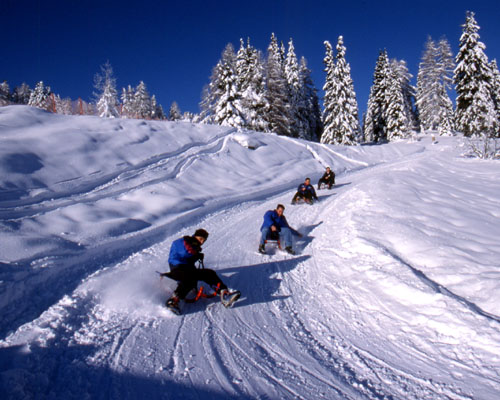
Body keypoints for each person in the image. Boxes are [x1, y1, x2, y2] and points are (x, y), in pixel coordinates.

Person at [164, 229, 239, 314]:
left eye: (204, 240)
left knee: (209, 273)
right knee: (189, 279)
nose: (202, 242)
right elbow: (184, 252)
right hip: (177, 268)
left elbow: (189, 258)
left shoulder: (194, 245)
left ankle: (224, 294)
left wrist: (196, 255)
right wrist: (195, 253)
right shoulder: (183, 241)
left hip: (187, 269)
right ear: (195, 235)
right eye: (200, 239)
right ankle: (173, 301)